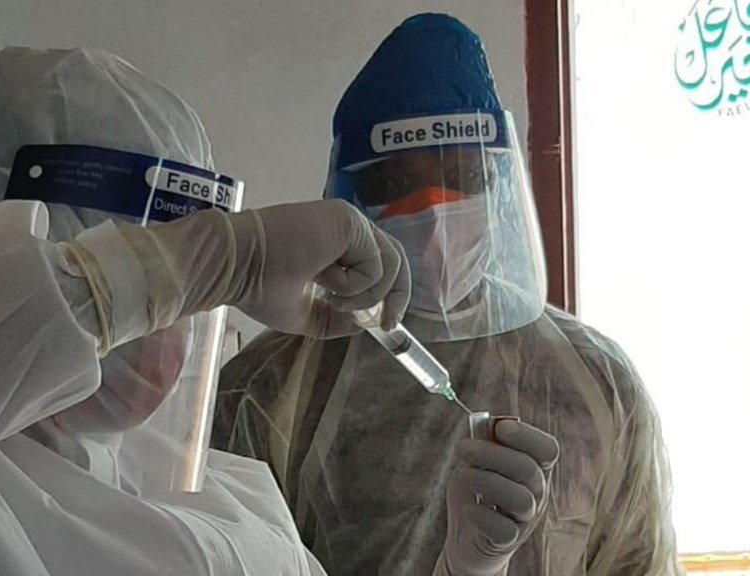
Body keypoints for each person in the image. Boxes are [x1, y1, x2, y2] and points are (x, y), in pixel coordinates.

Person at [0, 47, 414, 576]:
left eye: (188, 289)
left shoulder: (226, 490)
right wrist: (215, 259)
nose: (171, 326)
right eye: (149, 270)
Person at [212, 13, 683, 576]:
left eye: (462, 177)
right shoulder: (266, 389)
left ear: (499, 185)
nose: (433, 215)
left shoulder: (596, 385)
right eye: (395, 185)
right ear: (352, 197)